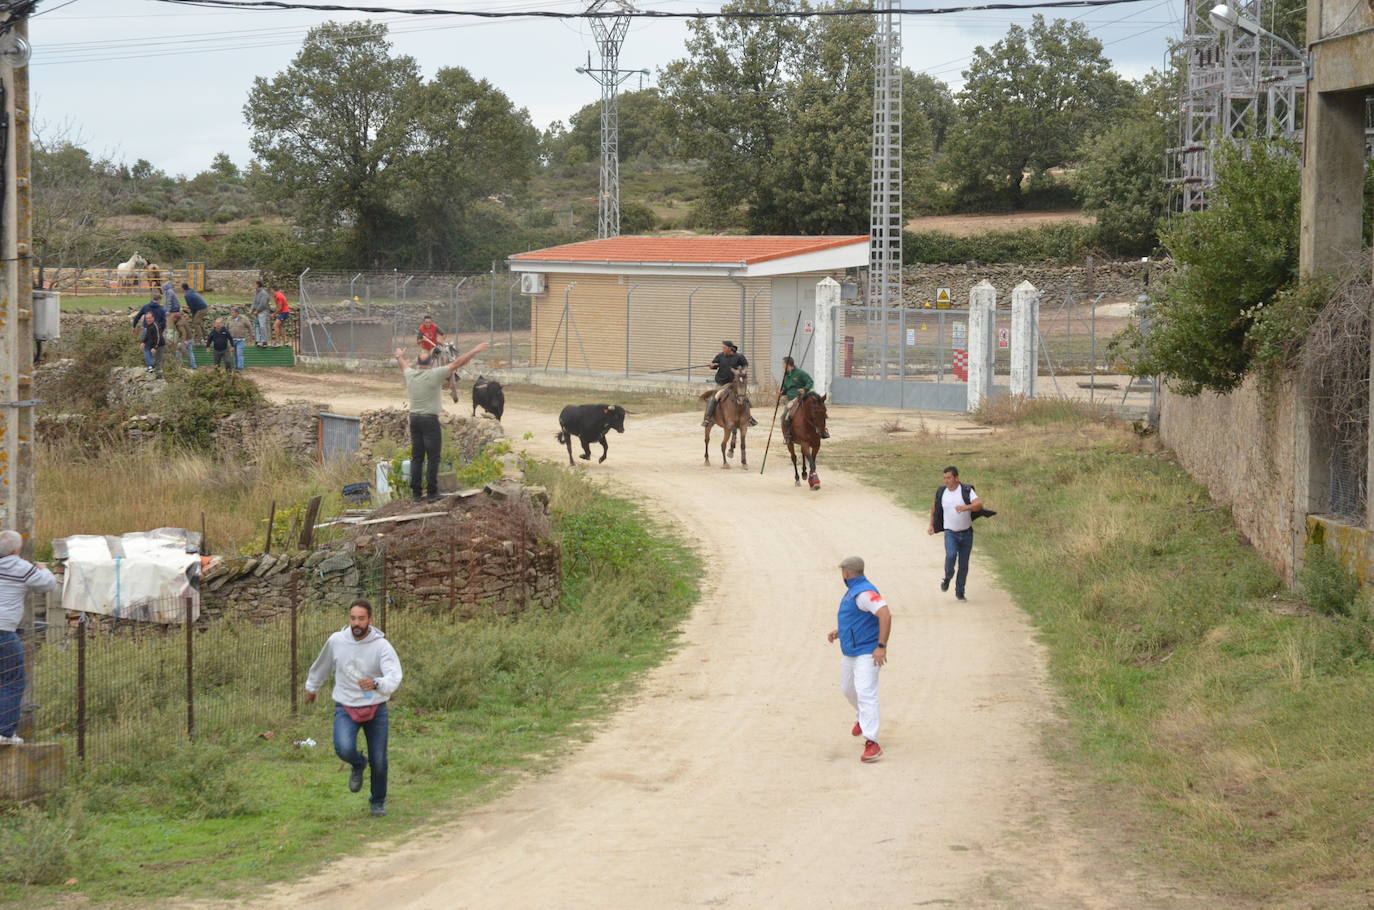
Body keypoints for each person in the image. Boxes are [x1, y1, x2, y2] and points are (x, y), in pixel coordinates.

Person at [304, 599, 403, 818]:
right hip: (345, 705)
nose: (356, 623)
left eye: (361, 618)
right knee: (344, 748)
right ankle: (358, 763)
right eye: (352, 618)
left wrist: (376, 683)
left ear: (370, 620)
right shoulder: (337, 641)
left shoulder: (381, 646)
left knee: (379, 759)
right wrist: (312, 687)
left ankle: (377, 802)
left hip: (375, 707)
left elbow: (394, 675)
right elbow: (322, 665)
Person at [395, 341, 488, 502]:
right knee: (433, 457)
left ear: (417, 363)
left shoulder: (410, 374)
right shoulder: (435, 374)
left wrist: (399, 356)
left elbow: (402, 364)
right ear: (431, 363)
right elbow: (458, 363)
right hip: (429, 421)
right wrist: (474, 350)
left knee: (417, 458)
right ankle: (432, 493)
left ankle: (416, 494)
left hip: (414, 419)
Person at [827, 555, 891, 763]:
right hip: (851, 651)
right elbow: (859, 617)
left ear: (846, 573)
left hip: (867, 652)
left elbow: (885, 614)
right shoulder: (855, 591)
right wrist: (840, 631)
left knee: (866, 693)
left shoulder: (864, 592)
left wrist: (881, 647)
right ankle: (863, 719)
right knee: (847, 689)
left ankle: (872, 742)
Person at [0, 529, 56, 745]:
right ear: (16, 550)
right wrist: (45, 569)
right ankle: (5, 733)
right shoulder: (21, 567)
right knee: (13, 681)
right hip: (4, 631)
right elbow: (48, 584)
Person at [927, 465, 983, 602]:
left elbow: (979, 504)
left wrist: (965, 507)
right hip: (950, 533)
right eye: (944, 478)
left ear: (956, 478)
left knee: (963, 564)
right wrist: (931, 524)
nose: (946, 481)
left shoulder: (966, 490)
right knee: (951, 555)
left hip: (967, 534)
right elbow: (934, 508)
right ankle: (947, 577)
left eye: (949, 478)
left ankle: (960, 592)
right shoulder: (942, 492)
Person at [701, 340, 756, 428]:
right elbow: (715, 364)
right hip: (721, 383)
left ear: (730, 348)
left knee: (743, 396)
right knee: (714, 398)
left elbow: (745, 364)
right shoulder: (720, 356)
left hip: (733, 383)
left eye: (724, 348)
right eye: (722, 347)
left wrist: (742, 370)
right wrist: (712, 366)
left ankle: (749, 418)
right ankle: (708, 417)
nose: (723, 349)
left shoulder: (739, 356)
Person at [776, 355, 828, 442]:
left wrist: (804, 389)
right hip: (791, 399)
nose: (782, 366)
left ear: (787, 364)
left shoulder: (800, 373)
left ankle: (823, 431)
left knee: (817, 412)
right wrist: (782, 392)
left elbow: (810, 381)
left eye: (783, 364)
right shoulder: (786, 376)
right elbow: (786, 388)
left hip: (801, 398)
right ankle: (787, 436)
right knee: (784, 416)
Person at [139, 312, 166, 377]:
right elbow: (147, 335)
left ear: (153, 318)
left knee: (158, 360)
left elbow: (158, 337)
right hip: (153, 345)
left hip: (159, 345)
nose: (148, 320)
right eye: (147, 318)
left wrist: (155, 347)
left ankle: (159, 376)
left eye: (149, 318)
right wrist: (143, 342)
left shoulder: (155, 325)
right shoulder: (149, 325)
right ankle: (151, 368)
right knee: (148, 354)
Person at [251, 281, 271, 346]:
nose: (254, 286)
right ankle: (257, 340)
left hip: (262, 312)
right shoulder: (257, 293)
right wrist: (252, 309)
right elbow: (255, 302)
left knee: (262, 326)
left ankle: (264, 341)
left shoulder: (264, 293)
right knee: (257, 326)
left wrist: (258, 310)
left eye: (255, 285)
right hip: (256, 312)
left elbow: (263, 304)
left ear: (258, 285)